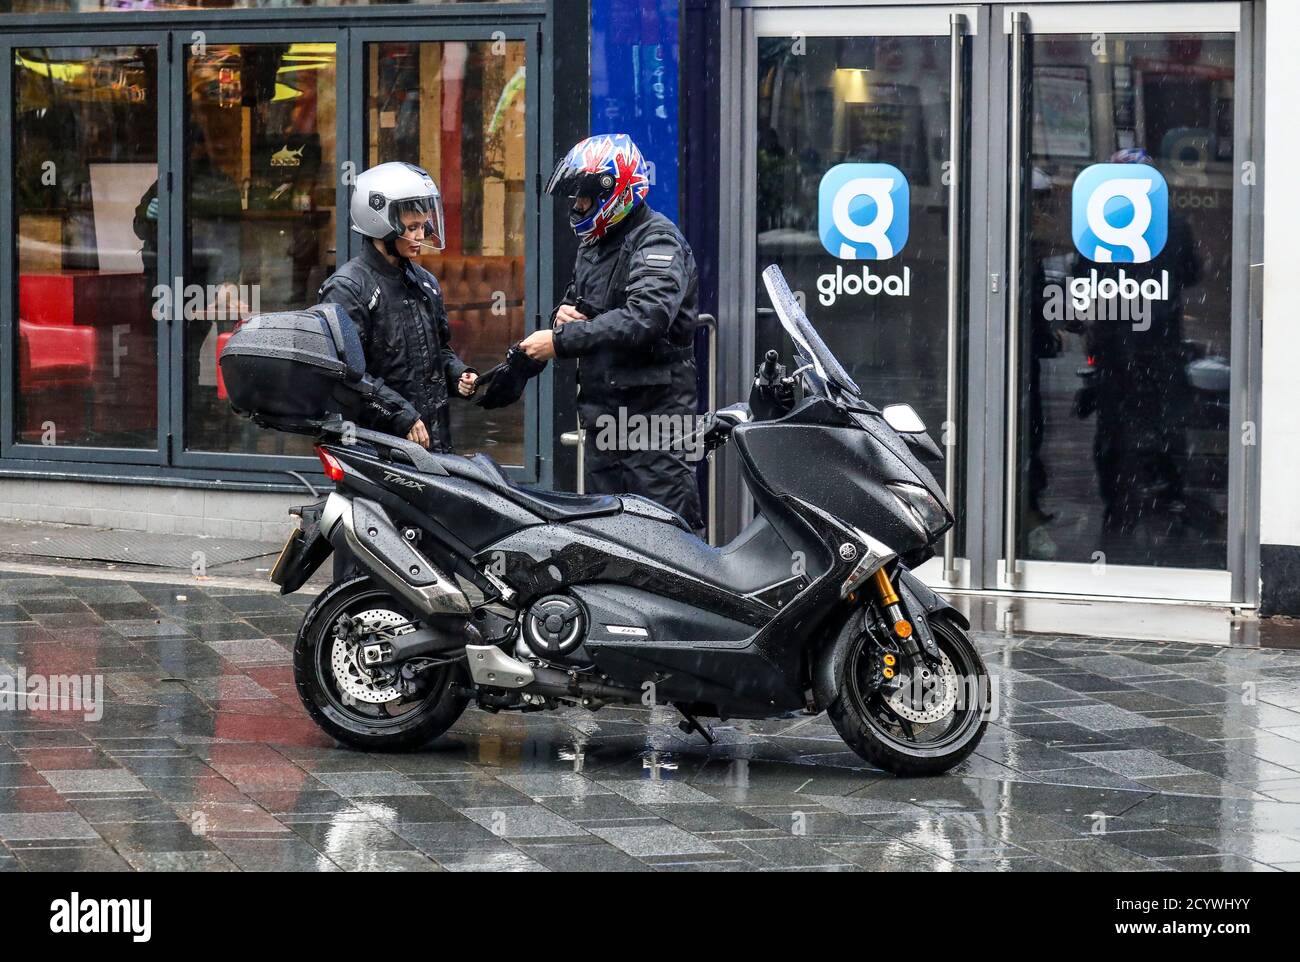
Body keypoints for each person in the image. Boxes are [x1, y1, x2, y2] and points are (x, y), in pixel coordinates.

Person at [520, 133, 703, 532]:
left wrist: (559, 341)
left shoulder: (657, 240)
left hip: (655, 428)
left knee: (669, 545)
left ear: (614, 191)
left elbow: (646, 318)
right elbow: (581, 305)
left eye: (584, 196)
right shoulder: (596, 243)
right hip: (606, 422)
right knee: (610, 542)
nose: (577, 205)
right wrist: (562, 317)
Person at [318, 161, 477, 579]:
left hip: (429, 448)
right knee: (372, 561)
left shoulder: (424, 282)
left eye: (425, 215)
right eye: (412, 216)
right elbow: (344, 372)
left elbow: (438, 351)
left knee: (434, 560)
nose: (422, 228)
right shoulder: (349, 287)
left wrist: (458, 373)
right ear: (378, 216)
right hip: (375, 451)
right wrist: (401, 413)